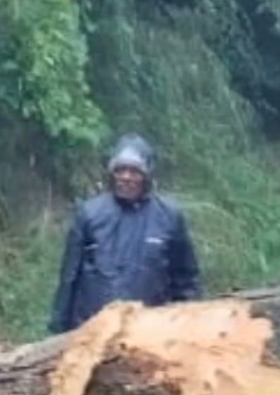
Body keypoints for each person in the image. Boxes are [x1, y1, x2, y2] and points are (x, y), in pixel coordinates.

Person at [48, 133, 202, 335]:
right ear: (111, 173)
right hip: (92, 333)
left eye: (134, 171)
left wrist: (191, 329)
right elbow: (69, 279)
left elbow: (186, 281)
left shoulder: (169, 217)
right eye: (120, 170)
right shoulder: (89, 214)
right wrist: (58, 331)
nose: (126, 177)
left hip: (149, 335)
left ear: (147, 175)